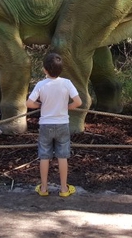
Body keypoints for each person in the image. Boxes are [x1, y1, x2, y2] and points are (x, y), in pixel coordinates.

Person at [26, 52, 83, 197]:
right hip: (63, 124)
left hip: (45, 124)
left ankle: (44, 188)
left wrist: (40, 105)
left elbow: (29, 103)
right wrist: (67, 107)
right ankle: (64, 189)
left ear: (45, 69)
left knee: (44, 156)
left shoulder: (41, 84)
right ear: (61, 69)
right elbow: (78, 102)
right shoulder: (66, 83)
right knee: (62, 157)